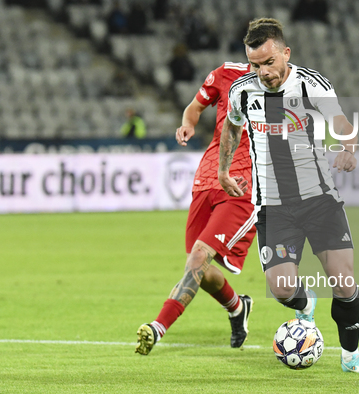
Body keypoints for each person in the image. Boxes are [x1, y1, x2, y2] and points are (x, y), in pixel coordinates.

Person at [218, 18, 359, 374]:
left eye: (269, 62)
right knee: (280, 288)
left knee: (343, 280)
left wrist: (348, 148)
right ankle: (304, 303)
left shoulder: (311, 84)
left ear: (285, 53)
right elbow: (231, 127)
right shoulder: (242, 91)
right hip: (274, 207)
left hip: (318, 199)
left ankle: (351, 357)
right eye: (256, 65)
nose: (263, 72)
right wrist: (223, 169)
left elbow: (340, 122)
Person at [136, 61, 256, 355]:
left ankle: (158, 326)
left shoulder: (289, 87)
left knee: (199, 258)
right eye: (254, 56)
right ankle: (238, 307)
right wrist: (188, 123)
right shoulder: (225, 73)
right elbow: (194, 107)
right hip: (206, 180)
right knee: (197, 267)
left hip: (244, 184)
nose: (261, 65)